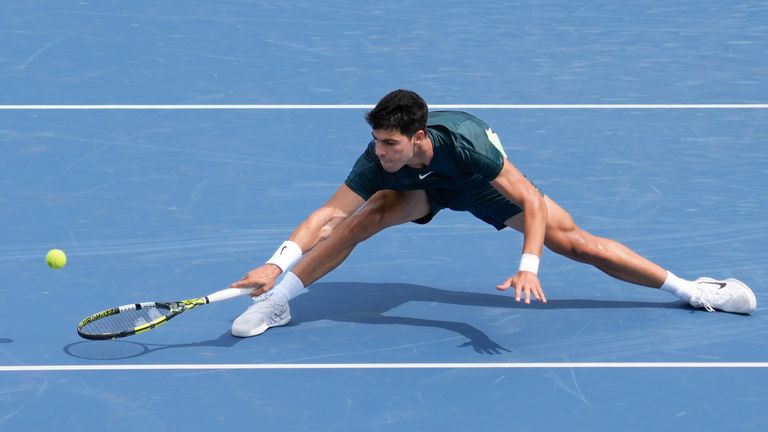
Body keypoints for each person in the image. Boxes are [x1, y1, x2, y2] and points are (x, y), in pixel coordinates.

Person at [228, 89, 757, 337]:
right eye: (376, 142)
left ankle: (696, 291)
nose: (380, 151)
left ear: (417, 137)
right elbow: (327, 213)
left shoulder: (468, 143)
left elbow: (529, 199)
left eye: (389, 143)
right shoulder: (380, 158)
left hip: (482, 189)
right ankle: (280, 300)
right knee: (359, 218)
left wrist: (528, 264)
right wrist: (278, 262)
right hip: (424, 191)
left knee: (574, 242)